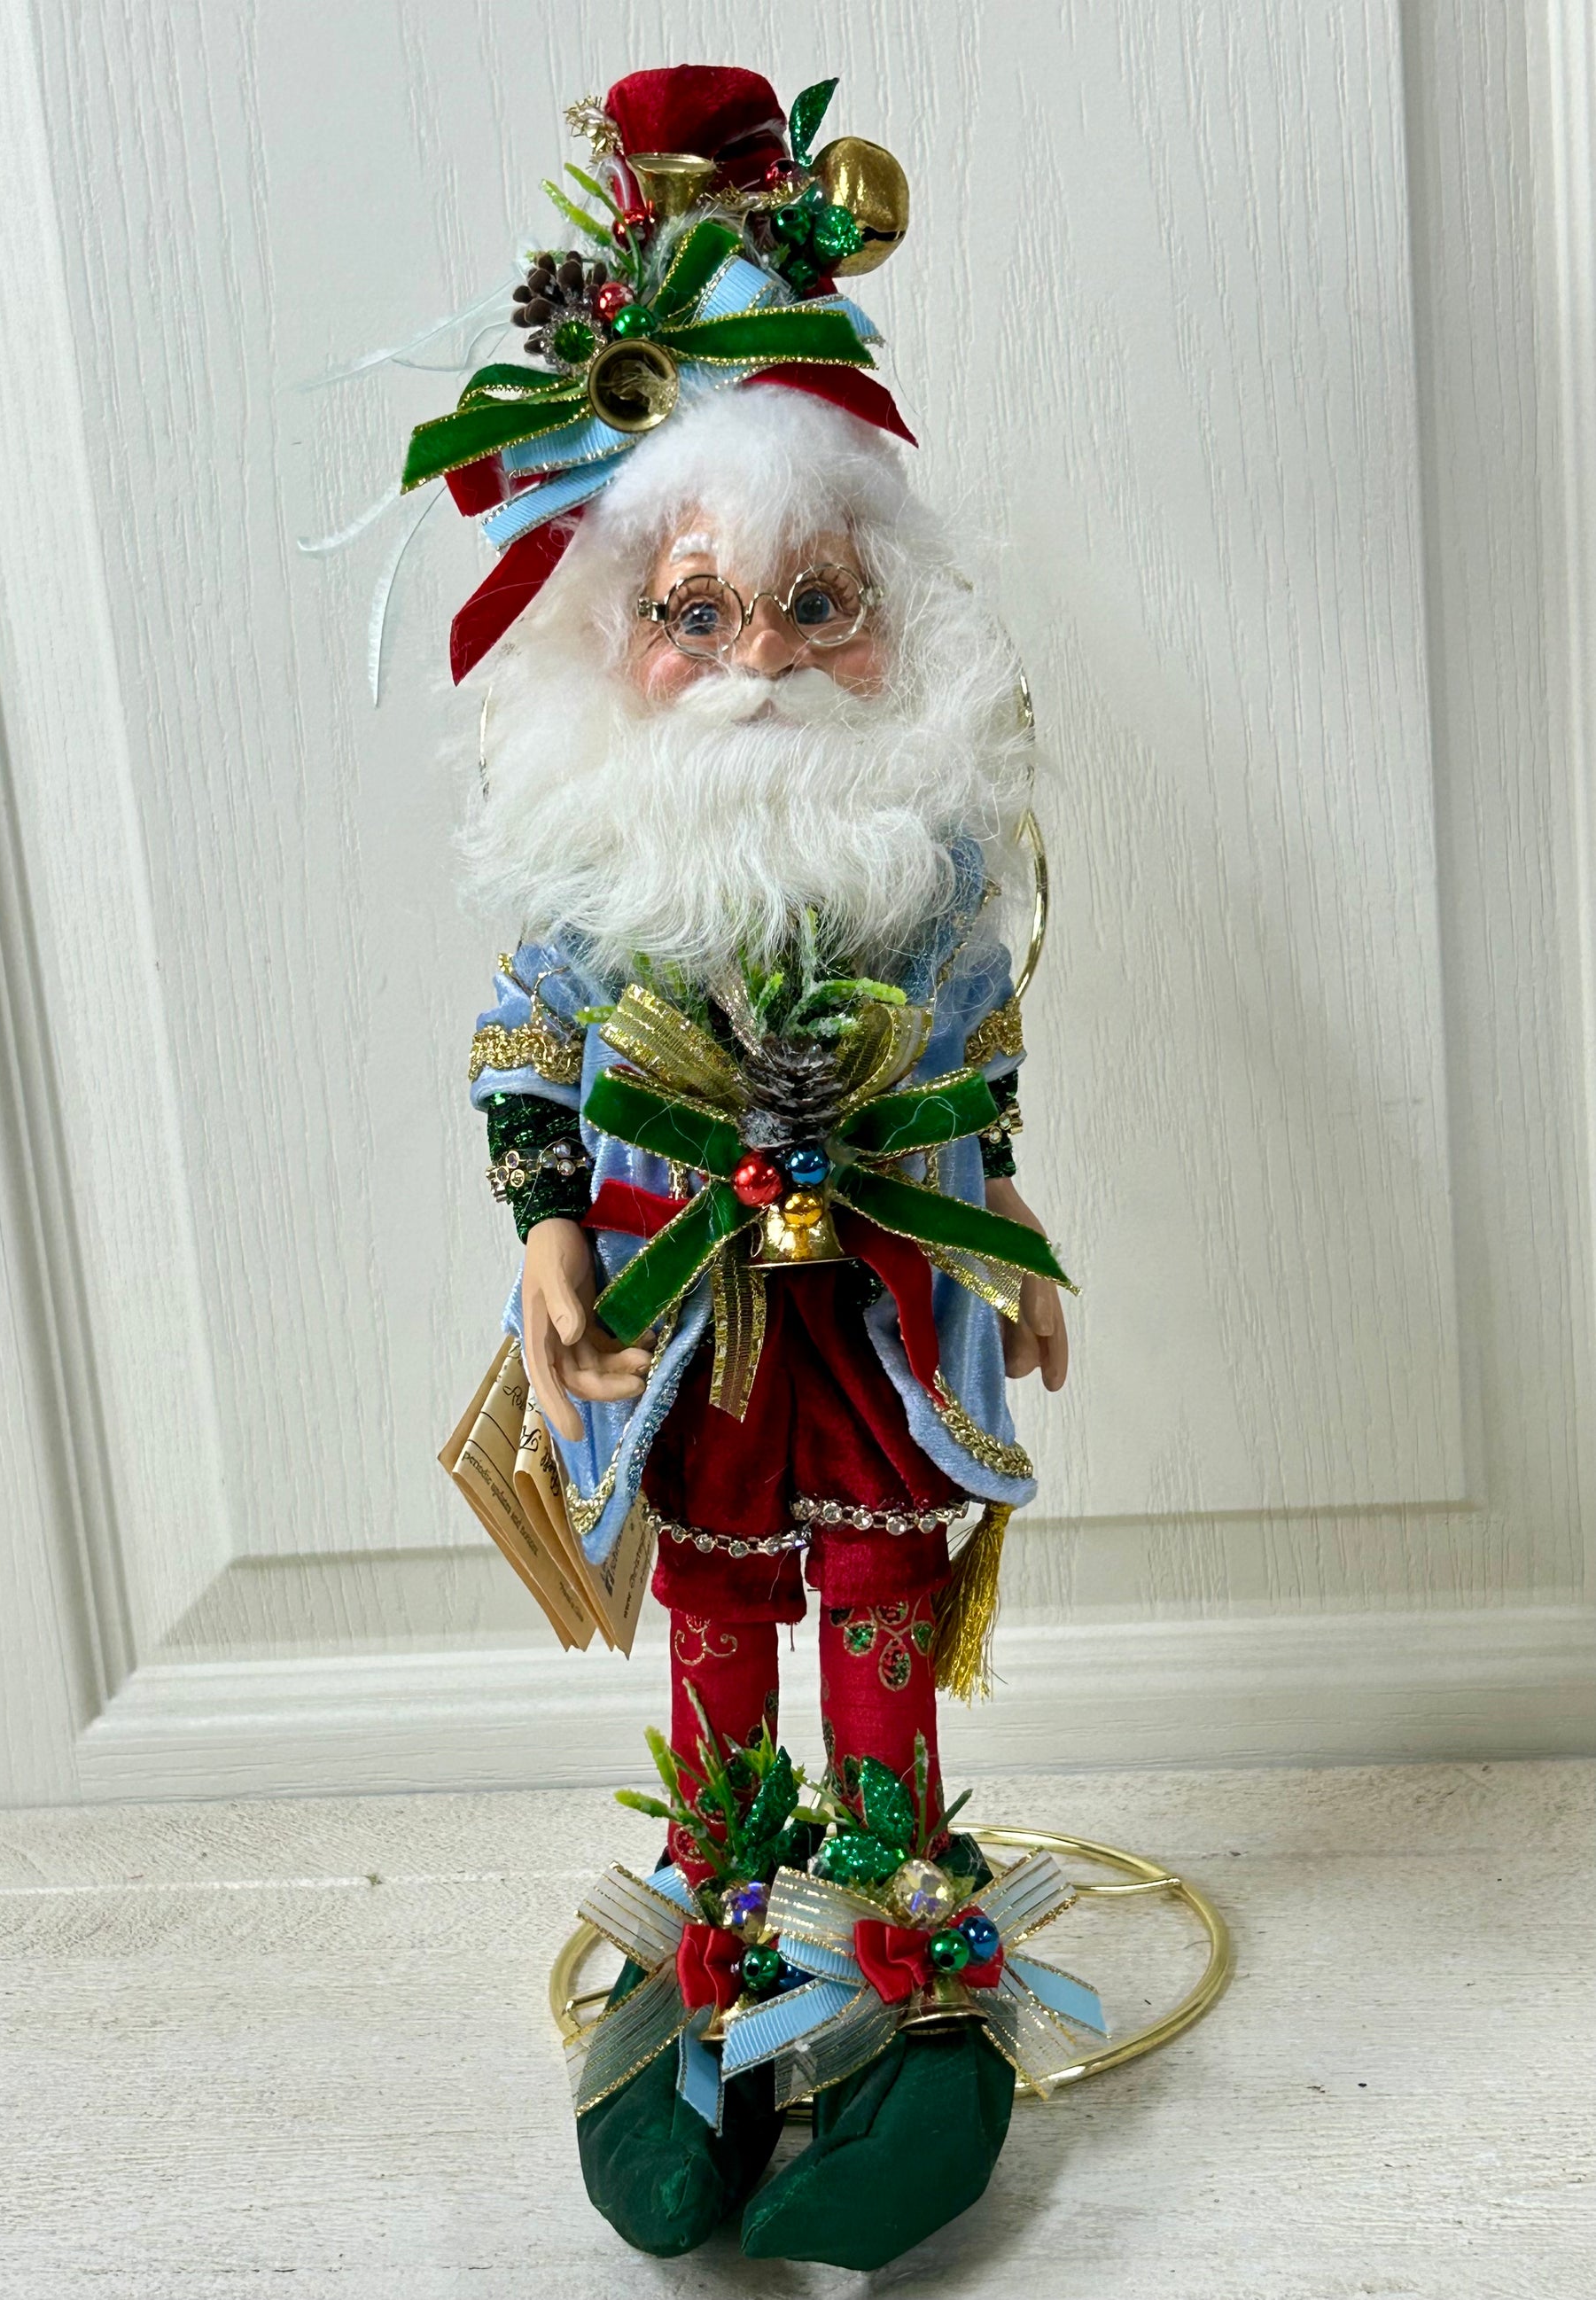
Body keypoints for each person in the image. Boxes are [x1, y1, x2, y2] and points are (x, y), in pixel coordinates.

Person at [420, 64, 1081, 2268]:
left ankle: (892, 1953)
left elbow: (973, 1058)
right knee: (714, 1606)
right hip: (681, 1314)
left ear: (899, 618)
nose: (759, 662)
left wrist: (1007, 1227)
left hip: (873, 1307)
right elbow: (529, 1043)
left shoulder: (923, 862)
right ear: (614, 634)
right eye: (696, 612)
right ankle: (708, 1933)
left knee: (880, 1593)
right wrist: (547, 1229)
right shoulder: (601, 867)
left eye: (818, 604)